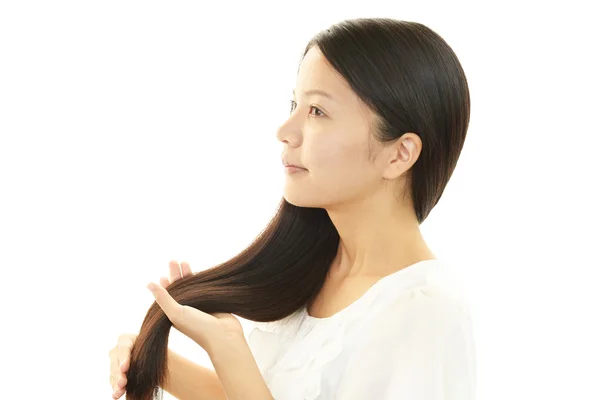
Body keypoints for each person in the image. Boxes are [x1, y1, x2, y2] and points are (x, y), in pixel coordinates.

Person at [109, 17, 476, 399]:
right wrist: (154, 360)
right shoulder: (313, 275)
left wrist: (230, 349)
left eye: (317, 111)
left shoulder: (427, 313)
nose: (285, 130)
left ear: (399, 154)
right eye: (294, 104)